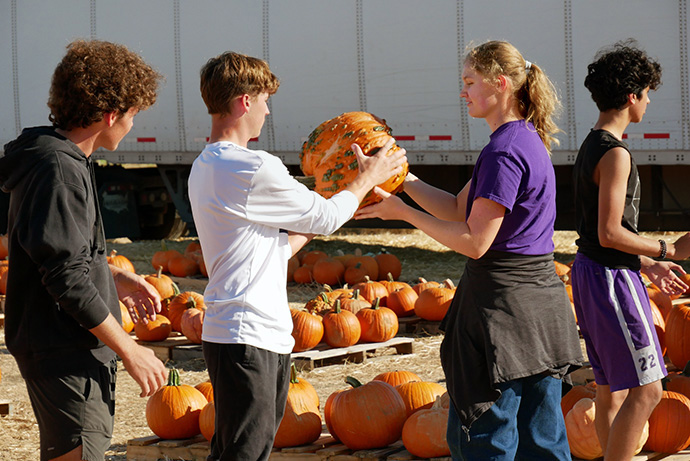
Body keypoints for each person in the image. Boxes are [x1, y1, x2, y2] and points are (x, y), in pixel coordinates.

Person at [355, 40, 584, 459]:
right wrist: (400, 178)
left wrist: (403, 213)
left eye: (469, 82)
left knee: (487, 442)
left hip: (503, 311)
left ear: (499, 84)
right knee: (543, 443)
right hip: (537, 311)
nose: (464, 92)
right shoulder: (521, 139)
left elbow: (475, 243)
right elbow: (459, 208)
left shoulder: (503, 151)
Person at [187, 51, 407, 461]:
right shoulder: (250, 167)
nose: (268, 111)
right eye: (265, 99)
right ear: (244, 101)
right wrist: (366, 179)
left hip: (240, 333)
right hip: (247, 334)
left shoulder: (207, 164)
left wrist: (339, 196)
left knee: (242, 450)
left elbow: (274, 249)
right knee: (244, 455)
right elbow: (325, 217)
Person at [0, 39, 168, 461]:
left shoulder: (61, 159)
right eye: (131, 116)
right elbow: (64, 276)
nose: (130, 126)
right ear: (110, 114)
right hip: (63, 350)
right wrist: (130, 350)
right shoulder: (57, 168)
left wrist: (115, 276)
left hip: (66, 345)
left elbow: (58, 252)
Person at [570, 41, 690, 460]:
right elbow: (608, 232)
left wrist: (644, 261)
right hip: (610, 280)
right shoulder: (617, 154)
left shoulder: (591, 145)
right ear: (630, 96)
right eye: (647, 92)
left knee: (610, 390)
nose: (649, 101)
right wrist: (668, 249)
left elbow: (593, 233)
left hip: (590, 273)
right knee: (649, 390)